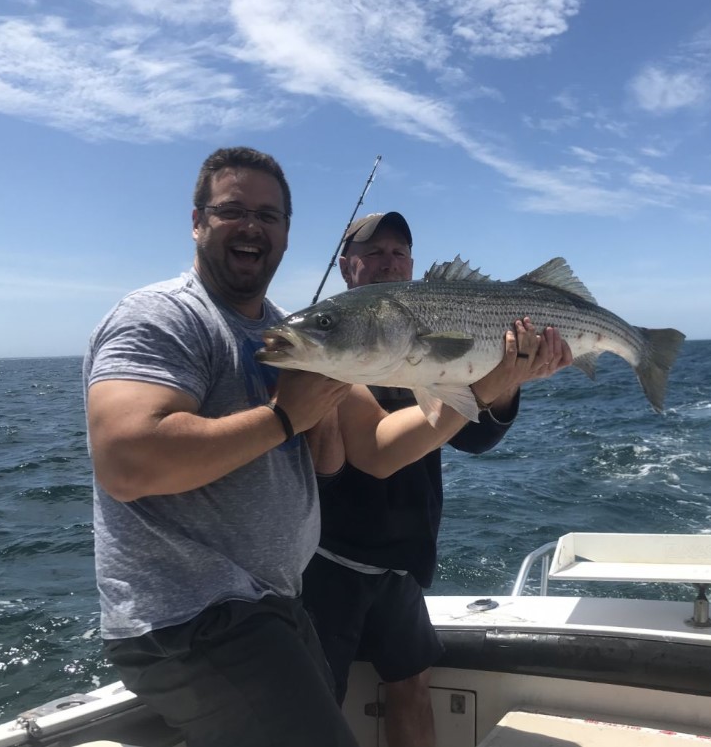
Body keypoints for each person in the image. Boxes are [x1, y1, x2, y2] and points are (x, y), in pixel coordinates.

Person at [83, 149, 525, 747]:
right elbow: (127, 462)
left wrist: (487, 389)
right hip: (192, 615)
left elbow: (378, 447)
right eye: (232, 210)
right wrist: (284, 417)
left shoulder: (291, 330)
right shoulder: (162, 317)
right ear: (197, 221)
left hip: (275, 601)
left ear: (288, 233)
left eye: (268, 215)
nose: (251, 226)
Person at [303, 211, 573, 747]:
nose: (389, 262)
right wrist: (487, 383)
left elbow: (473, 438)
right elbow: (372, 451)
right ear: (347, 266)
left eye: (399, 253)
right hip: (330, 559)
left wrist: (507, 381)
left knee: (412, 687)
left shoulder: (424, 333)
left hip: (404, 556)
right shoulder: (330, 346)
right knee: (318, 700)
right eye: (374, 253)